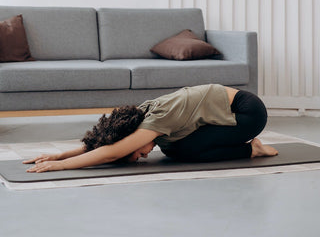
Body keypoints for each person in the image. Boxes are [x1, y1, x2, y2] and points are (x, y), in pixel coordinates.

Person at [24, 84, 278, 173]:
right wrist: (60, 154)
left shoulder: (155, 120)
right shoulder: (138, 118)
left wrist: (61, 165)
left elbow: (111, 152)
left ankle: (252, 150)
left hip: (247, 113)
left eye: (134, 153)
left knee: (185, 150)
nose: (140, 156)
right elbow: (108, 144)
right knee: (174, 150)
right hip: (226, 113)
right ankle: (247, 148)